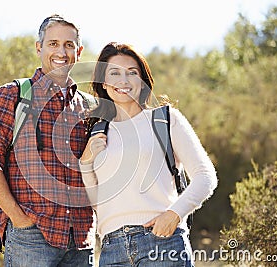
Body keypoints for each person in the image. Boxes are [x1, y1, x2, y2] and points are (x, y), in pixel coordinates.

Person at [80, 42, 218, 266]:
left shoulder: (165, 119)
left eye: (132, 73)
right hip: (112, 250)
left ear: (142, 80)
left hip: (161, 243)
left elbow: (206, 176)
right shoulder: (98, 131)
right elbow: (99, 204)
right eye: (114, 73)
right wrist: (85, 164)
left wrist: (174, 215)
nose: (123, 81)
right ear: (104, 83)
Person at [0, 14, 94, 266]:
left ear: (78, 52)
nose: (61, 51)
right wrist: (19, 219)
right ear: (39, 48)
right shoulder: (12, 95)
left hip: (81, 241)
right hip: (31, 238)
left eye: (69, 45)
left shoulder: (89, 107)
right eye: (53, 44)